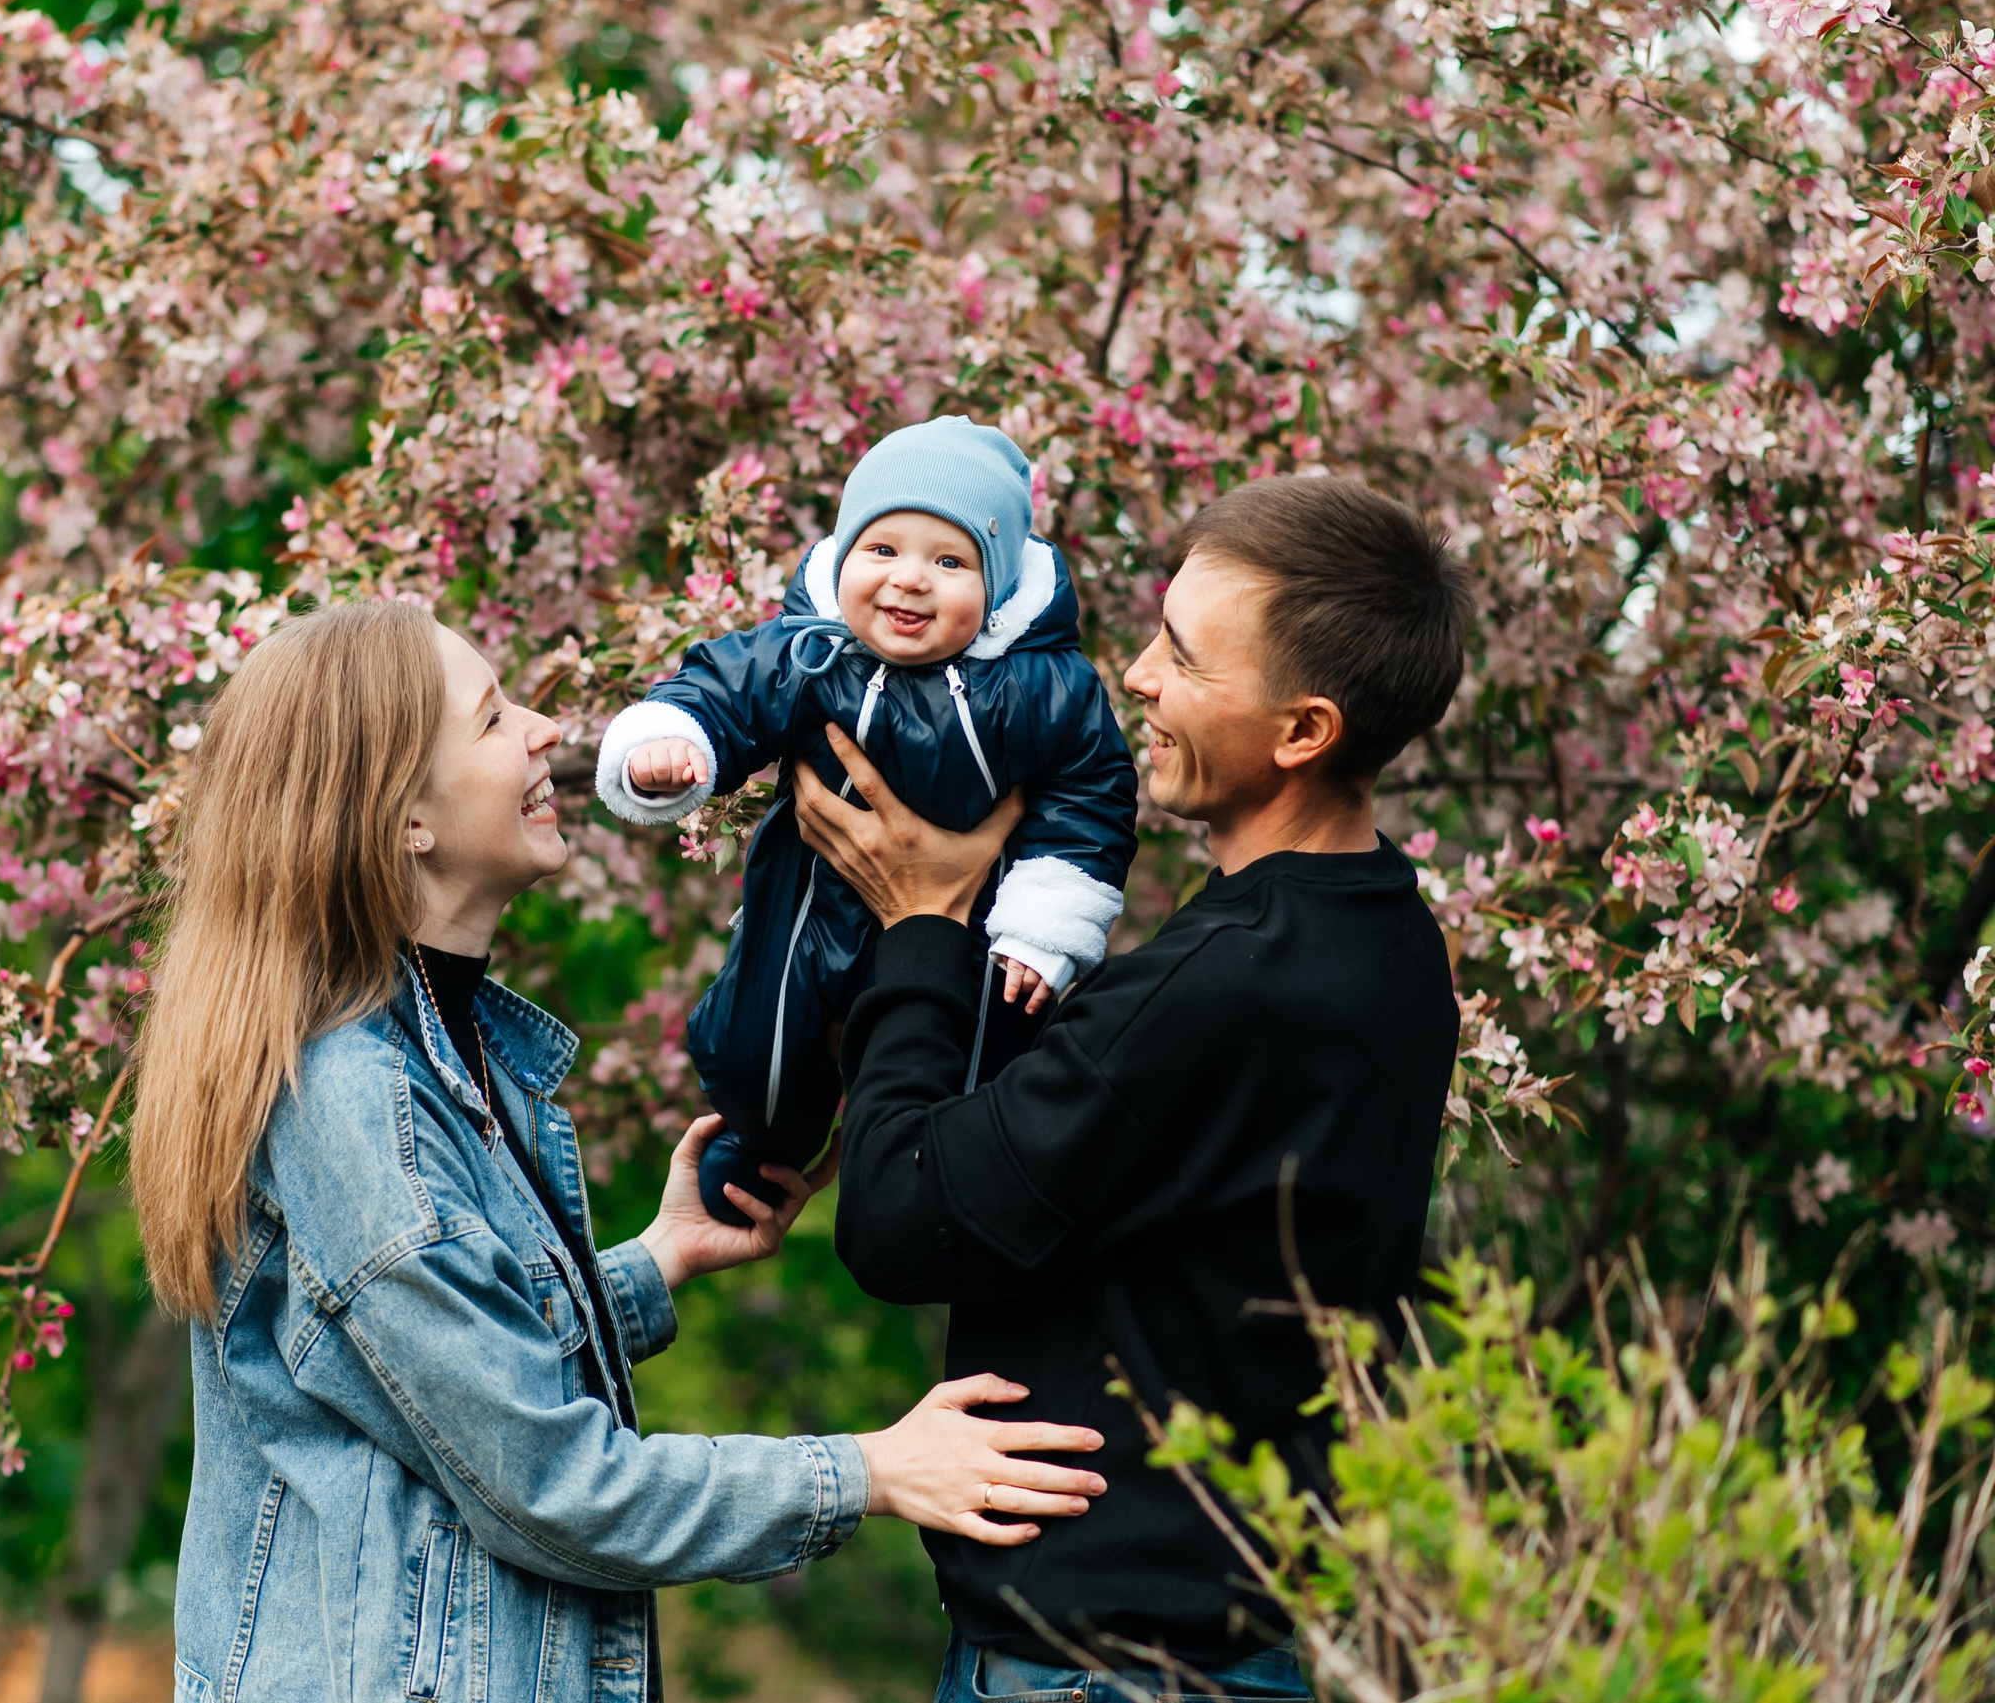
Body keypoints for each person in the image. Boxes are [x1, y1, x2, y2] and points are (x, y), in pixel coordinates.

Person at [128, 601, 1111, 1703]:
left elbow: (433, 1363)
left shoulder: (438, 1049)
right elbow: (546, 1481)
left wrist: (656, 1261)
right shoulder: (357, 1096)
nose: (549, 728)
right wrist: (868, 1469)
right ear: (405, 817)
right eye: (496, 719)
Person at [791, 477, 1472, 1703]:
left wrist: (923, 926)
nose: (1139, 676)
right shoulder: (1391, 936)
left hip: (1101, 1671)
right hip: (1235, 1639)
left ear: (1302, 730)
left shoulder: (1216, 986)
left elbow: (900, 1217)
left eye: (1185, 657)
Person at [595, 416, 1138, 1226]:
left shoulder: (1039, 686)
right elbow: (722, 688)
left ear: (995, 586)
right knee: (756, 1059)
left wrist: (1046, 928)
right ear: (843, 555)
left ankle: (946, 1193)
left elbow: (1092, 790)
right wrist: (671, 742)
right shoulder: (810, 651)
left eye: (949, 561)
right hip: (812, 909)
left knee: (977, 1068)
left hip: (967, 926)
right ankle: (764, 1141)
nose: (909, 579)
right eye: (882, 550)